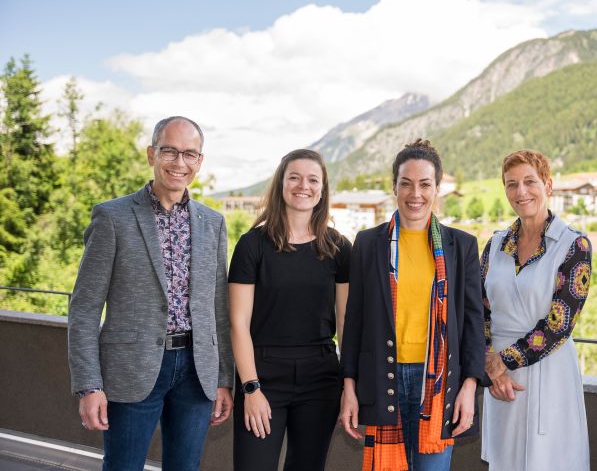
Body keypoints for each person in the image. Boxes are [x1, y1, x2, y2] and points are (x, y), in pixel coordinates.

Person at [68, 116, 234, 470]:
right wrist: (89, 385)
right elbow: (83, 308)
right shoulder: (112, 217)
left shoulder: (213, 223)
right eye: (169, 151)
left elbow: (218, 308)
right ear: (151, 154)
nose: (179, 162)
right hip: (131, 368)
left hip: (196, 372)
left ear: (199, 161)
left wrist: (223, 379)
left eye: (190, 154)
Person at [339, 139, 484, 471]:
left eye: (424, 184)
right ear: (394, 187)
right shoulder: (368, 244)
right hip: (381, 378)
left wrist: (469, 386)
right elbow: (355, 320)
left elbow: (474, 323)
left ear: (437, 189)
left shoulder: (461, 247)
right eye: (406, 183)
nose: (415, 193)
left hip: (437, 385)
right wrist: (348, 386)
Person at [228, 149, 350, 471]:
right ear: (280, 183)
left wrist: (348, 386)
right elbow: (238, 323)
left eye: (313, 179)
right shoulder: (252, 245)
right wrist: (250, 388)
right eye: (294, 177)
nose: (303, 186)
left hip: (320, 379)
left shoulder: (339, 248)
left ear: (322, 189)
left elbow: (346, 326)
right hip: (262, 375)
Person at [480, 150, 592, 471]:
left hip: (550, 372)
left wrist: (501, 361)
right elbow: (479, 310)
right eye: (511, 184)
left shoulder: (574, 245)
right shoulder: (496, 245)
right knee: (506, 461)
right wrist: (490, 366)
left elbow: (559, 324)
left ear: (548, 185)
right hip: (499, 378)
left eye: (530, 181)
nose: (521, 192)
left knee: (551, 461)